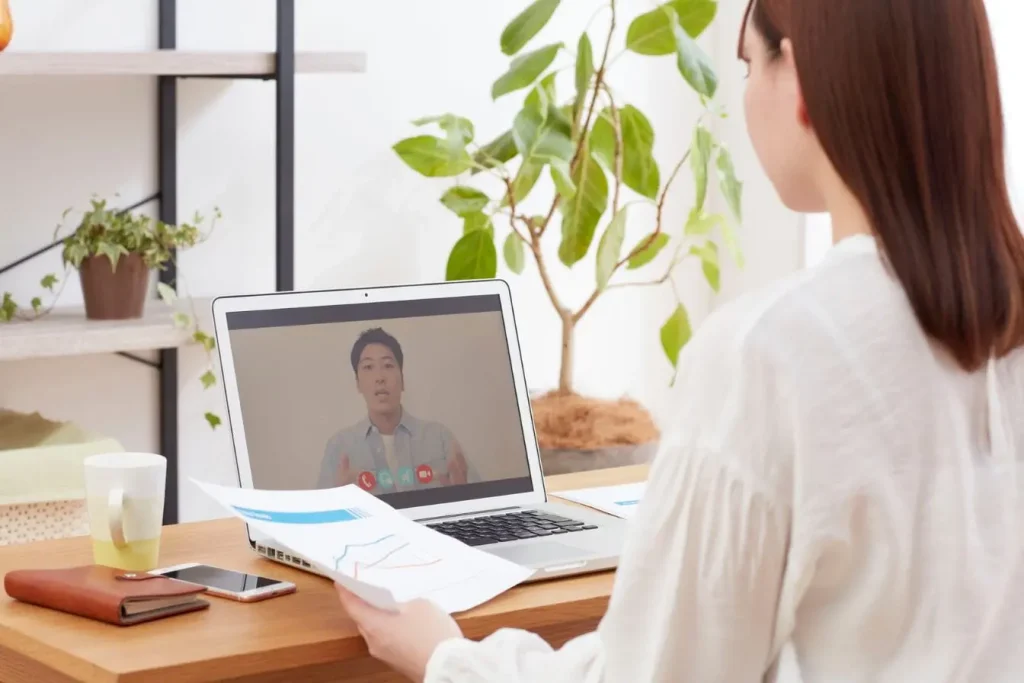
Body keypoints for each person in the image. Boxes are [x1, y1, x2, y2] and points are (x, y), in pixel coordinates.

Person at [335, 0, 1024, 680]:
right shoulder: (995, 320)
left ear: (804, 83)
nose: (746, 91)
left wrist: (445, 656)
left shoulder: (771, 354)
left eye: (750, 64)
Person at [317, 327, 477, 494]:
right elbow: (321, 515)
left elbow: (479, 500)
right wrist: (337, 503)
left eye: (387, 365)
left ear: (402, 379)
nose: (379, 377)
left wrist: (463, 494)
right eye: (368, 367)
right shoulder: (339, 447)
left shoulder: (439, 437)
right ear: (358, 383)